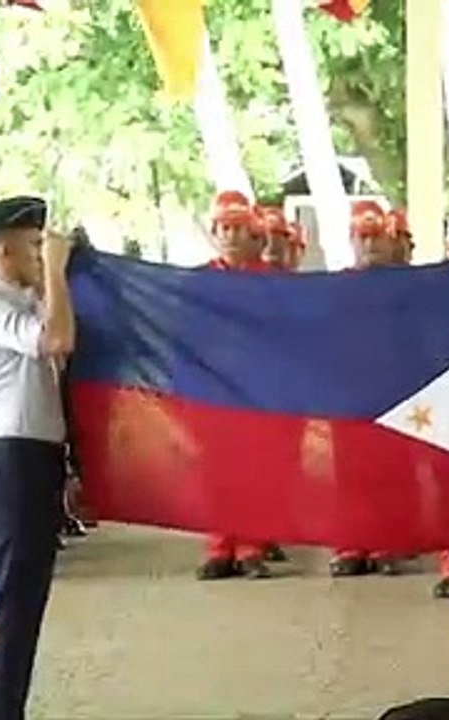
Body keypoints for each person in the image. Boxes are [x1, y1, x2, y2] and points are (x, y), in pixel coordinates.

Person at [0, 195, 74, 720]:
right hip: (13, 464)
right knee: (8, 610)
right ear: (2, 252)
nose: (41, 254)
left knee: (20, 609)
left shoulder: (25, 300)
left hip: (33, 463)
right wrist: (56, 269)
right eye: (34, 246)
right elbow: (58, 337)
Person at [197, 190, 274, 580]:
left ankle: (252, 548)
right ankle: (218, 548)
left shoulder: (277, 284)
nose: (228, 235)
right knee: (215, 473)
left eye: (237, 228)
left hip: (261, 394)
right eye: (222, 228)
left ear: (254, 234)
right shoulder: (198, 282)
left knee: (257, 472)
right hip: (213, 394)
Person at [330, 201, 406, 577]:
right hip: (346, 396)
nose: (370, 245)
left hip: (393, 394)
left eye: (377, 237)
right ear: (351, 240)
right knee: (347, 476)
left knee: (390, 473)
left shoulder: (408, 289)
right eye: (363, 237)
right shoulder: (334, 288)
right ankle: (350, 547)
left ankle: (387, 544)